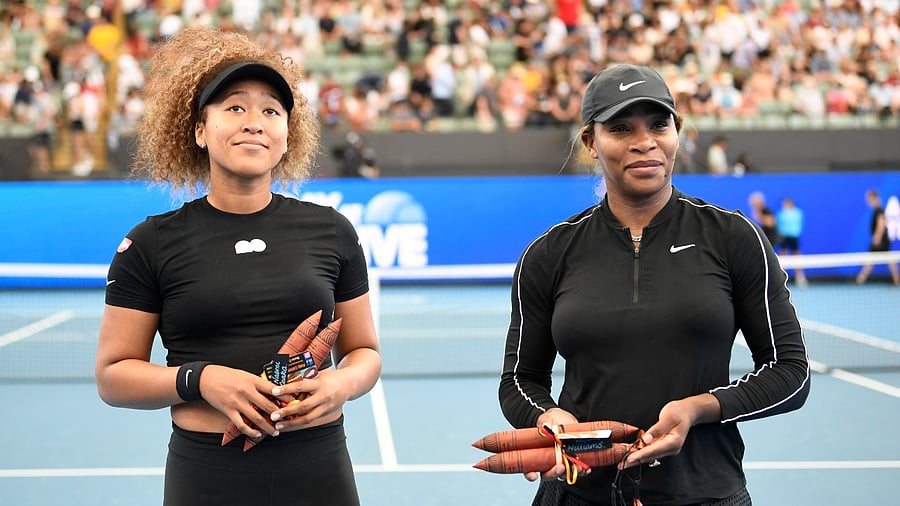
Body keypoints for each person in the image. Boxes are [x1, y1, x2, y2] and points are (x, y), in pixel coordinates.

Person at [498, 64, 810, 506]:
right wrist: (548, 417)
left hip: (706, 494)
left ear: (677, 131)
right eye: (620, 128)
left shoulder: (734, 237)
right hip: (577, 494)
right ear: (591, 142)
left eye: (659, 124)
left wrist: (697, 408)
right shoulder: (549, 253)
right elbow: (519, 379)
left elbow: (791, 371)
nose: (644, 141)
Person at [94, 27, 382, 505]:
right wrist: (201, 379)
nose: (254, 122)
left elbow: (364, 351)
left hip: (319, 467)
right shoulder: (150, 242)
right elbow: (113, 376)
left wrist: (342, 383)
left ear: (287, 137)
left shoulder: (332, 230)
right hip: (206, 474)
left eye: (271, 111)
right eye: (234, 108)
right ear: (199, 131)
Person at [856, 189, 900, 285]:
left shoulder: (879, 210)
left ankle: (860, 280)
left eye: (869, 198)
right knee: (884, 260)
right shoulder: (877, 210)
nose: (867, 200)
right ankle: (861, 279)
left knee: (873, 260)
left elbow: (881, 224)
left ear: (873, 197)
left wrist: (877, 237)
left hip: (881, 241)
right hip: (882, 240)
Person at [776, 197, 808, 287]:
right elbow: (778, 224)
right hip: (784, 237)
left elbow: (800, 223)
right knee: (783, 256)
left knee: (797, 256)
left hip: (794, 236)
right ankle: (780, 277)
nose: (784, 205)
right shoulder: (781, 213)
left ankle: (800, 277)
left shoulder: (797, 212)